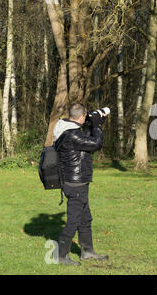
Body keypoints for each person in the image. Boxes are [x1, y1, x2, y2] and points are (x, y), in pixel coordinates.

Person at [53, 103, 108, 266]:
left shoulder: (68, 130)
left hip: (77, 182)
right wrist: (97, 125)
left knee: (85, 219)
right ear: (82, 116)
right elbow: (96, 144)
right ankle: (61, 255)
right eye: (86, 117)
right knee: (73, 221)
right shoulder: (71, 135)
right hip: (76, 184)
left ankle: (87, 251)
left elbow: (87, 142)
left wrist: (93, 125)